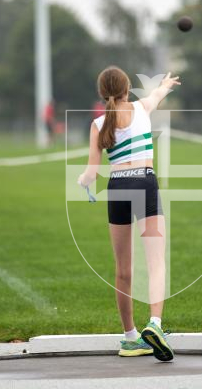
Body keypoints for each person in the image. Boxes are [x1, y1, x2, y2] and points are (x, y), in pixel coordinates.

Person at [78, 66, 181, 362]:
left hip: (118, 188)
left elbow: (91, 172)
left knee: (123, 271)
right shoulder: (141, 107)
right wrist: (165, 84)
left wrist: (82, 182)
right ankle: (156, 325)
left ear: (102, 93)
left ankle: (130, 338)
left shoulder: (99, 123)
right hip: (144, 182)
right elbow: (157, 94)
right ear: (127, 89)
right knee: (156, 262)